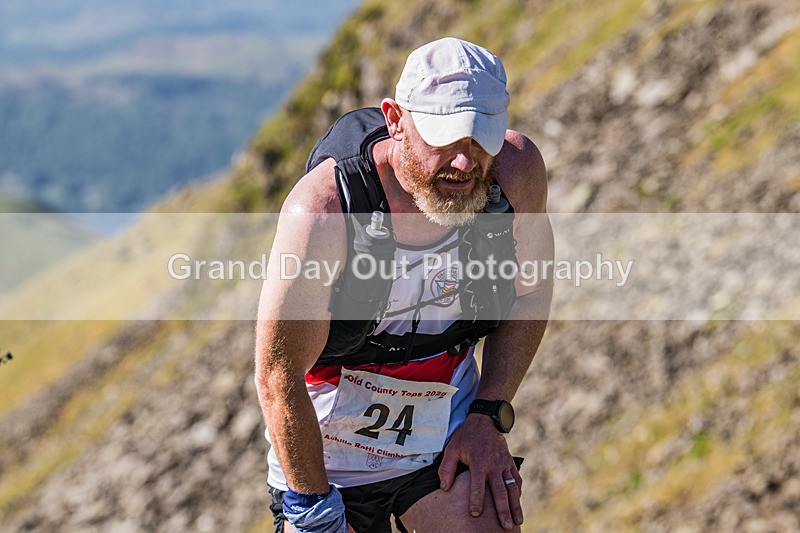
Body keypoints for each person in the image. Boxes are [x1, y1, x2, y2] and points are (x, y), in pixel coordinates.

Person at [255, 37, 553, 533]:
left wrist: (486, 414)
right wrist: (312, 508)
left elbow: (531, 291)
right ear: (395, 120)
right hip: (325, 460)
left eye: (481, 139)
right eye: (444, 139)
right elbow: (278, 375)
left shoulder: (515, 176)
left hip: (444, 437)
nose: (464, 163)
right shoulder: (325, 212)